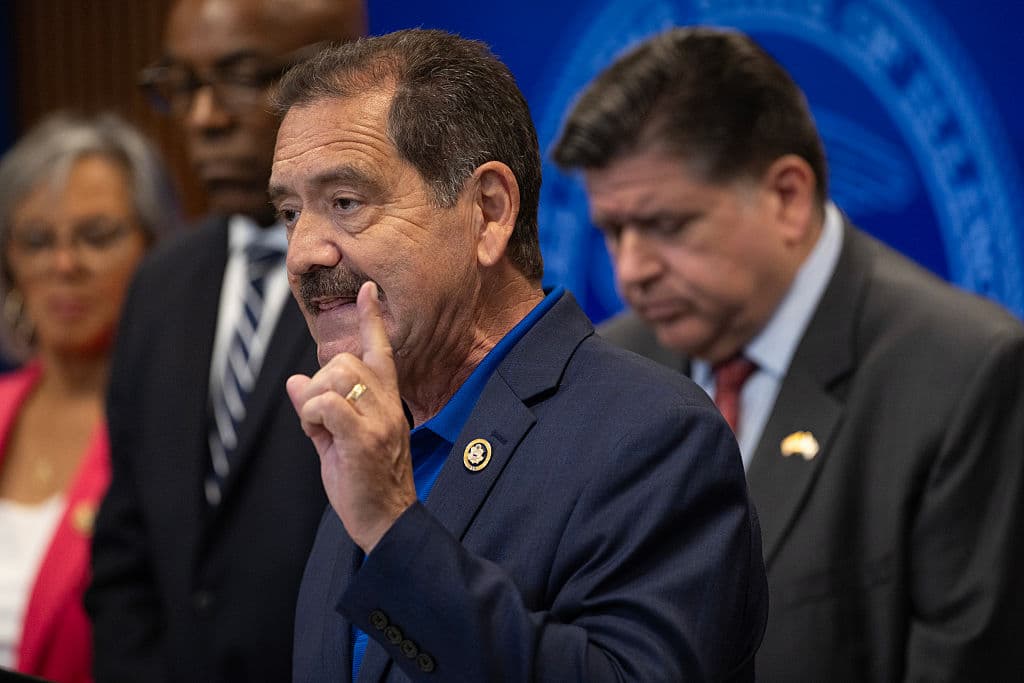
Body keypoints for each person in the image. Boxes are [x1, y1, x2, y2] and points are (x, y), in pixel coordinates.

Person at [270, 29, 768, 682]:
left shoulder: (655, 436)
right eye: (287, 212)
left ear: (489, 211)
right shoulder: (366, 434)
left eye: (346, 203)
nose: (303, 252)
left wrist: (394, 528)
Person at [552, 26, 1024, 681]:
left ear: (787, 198)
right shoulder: (608, 368)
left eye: (666, 225)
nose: (631, 271)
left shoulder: (965, 373)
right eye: (613, 231)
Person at [84, 1, 368, 681]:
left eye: (241, 77)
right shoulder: (160, 283)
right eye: (181, 85)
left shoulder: (386, 280)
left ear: (339, 75)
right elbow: (126, 546)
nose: (203, 119)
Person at [0, 112, 177, 683]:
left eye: (96, 236)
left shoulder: (178, 429)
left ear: (158, 247)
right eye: (36, 240)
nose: (64, 264)